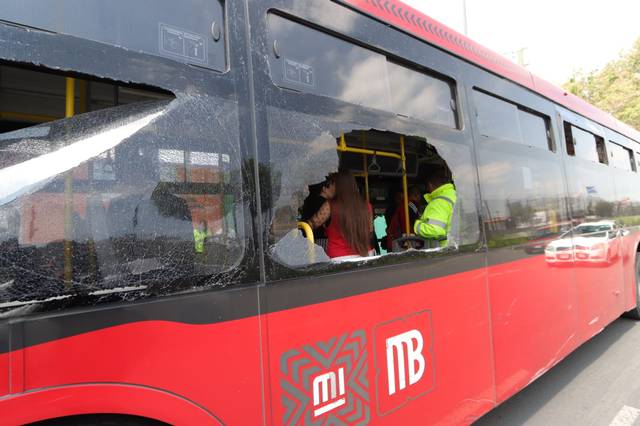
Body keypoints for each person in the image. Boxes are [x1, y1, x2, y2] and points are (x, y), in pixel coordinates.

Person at [316, 170, 372, 259]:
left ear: (339, 186)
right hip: (366, 254)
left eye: (332, 183)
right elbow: (370, 230)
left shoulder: (329, 206)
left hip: (339, 257)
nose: (330, 186)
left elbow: (310, 225)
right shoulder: (367, 206)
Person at [414, 167, 457, 246]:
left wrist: (417, 226)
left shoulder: (438, 203)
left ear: (430, 185)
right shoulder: (456, 195)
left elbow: (435, 230)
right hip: (463, 250)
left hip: (447, 252)